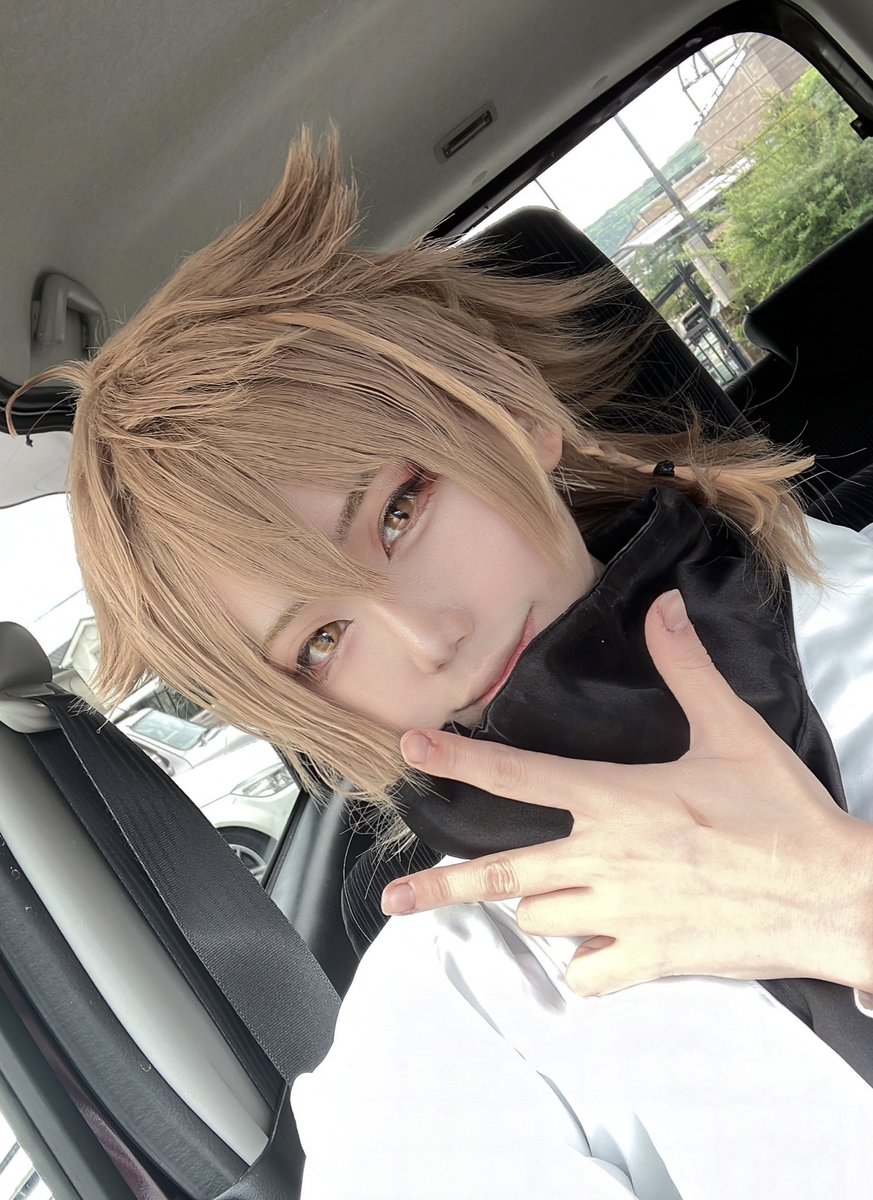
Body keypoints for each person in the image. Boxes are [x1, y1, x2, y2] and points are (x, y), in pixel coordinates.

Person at [8, 130, 873, 1197]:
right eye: (321, 641)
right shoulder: (454, 1016)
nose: (428, 639)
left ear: (511, 412)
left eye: (399, 511)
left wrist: (839, 901)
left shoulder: (852, 589)